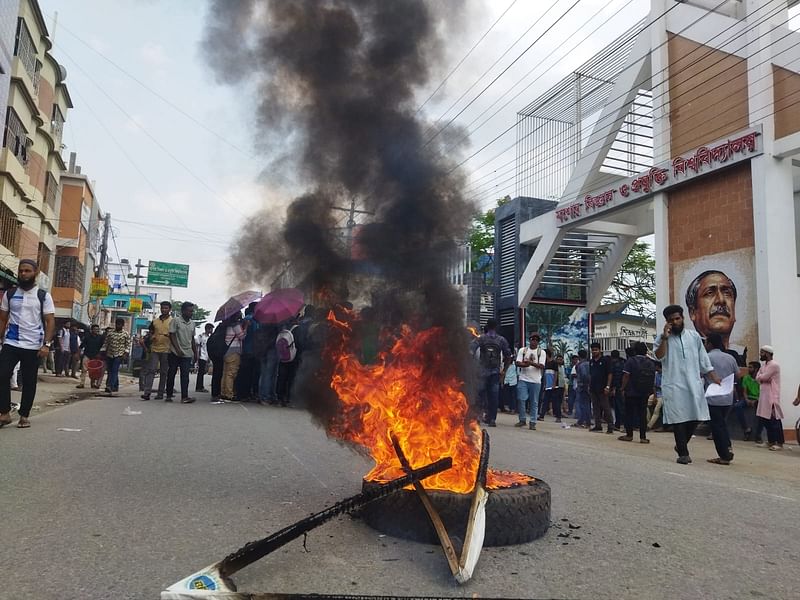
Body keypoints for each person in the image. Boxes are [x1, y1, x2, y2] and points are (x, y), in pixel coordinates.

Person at [654, 304, 721, 464]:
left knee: (696, 417)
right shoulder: (662, 338)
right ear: (667, 322)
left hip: (693, 383)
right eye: (672, 320)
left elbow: (704, 360)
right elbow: (659, 356)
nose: (675, 322)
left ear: (683, 318)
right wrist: (664, 337)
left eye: (678, 318)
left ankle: (680, 444)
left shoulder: (694, 337)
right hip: (673, 384)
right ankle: (683, 453)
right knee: (678, 419)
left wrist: (714, 377)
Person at [0, 259, 56, 428]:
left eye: (27, 271)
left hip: (33, 346)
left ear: (35, 273)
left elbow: (50, 321)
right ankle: (4, 413)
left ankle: (24, 415)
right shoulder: (9, 294)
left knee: (29, 381)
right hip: (11, 342)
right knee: (2, 375)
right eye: (21, 271)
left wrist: (46, 344)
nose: (23, 274)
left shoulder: (43, 296)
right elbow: (3, 319)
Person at [686, 270, 743, 365]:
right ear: (692, 312)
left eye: (727, 293)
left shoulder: (738, 354)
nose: (721, 300)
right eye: (709, 293)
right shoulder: (688, 356)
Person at [703, 333, 739, 465]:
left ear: (710, 344)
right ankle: (728, 449)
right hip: (727, 398)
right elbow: (738, 375)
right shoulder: (730, 358)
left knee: (717, 427)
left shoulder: (707, 357)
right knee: (722, 425)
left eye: (706, 342)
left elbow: (700, 373)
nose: (705, 345)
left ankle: (724, 455)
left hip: (712, 397)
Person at [469, 319, 511, 428]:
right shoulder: (501, 340)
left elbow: (471, 351)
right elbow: (508, 356)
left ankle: (478, 417)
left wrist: (472, 367)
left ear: (487, 326)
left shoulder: (481, 338)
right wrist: (504, 370)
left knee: (480, 396)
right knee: (494, 396)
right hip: (495, 372)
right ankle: (492, 419)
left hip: (482, 371)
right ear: (496, 327)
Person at [619, 341, 655, 443]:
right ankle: (643, 437)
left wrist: (622, 388)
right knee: (642, 414)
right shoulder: (650, 362)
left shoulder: (631, 361)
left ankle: (629, 435)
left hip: (631, 391)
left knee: (629, 413)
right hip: (644, 392)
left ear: (635, 350)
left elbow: (626, 376)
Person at [142, 300, 173, 401]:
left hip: (167, 350)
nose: (164, 310)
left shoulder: (173, 321)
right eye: (162, 308)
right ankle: (147, 392)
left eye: (166, 308)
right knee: (151, 370)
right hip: (155, 349)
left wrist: (170, 336)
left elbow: (175, 334)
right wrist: (151, 337)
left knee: (164, 372)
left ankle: (160, 393)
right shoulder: (155, 321)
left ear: (169, 309)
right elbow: (150, 332)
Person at [166, 301, 197, 403]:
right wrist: (178, 349)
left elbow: (192, 339)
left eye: (192, 311)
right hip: (175, 352)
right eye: (189, 311)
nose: (191, 313)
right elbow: (172, 335)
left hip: (187, 353)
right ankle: (169, 395)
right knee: (171, 373)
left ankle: (184, 397)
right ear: (183, 311)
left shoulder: (192, 323)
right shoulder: (176, 321)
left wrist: (195, 352)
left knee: (185, 376)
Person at [755, 345, 784, 451]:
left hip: (772, 396)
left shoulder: (774, 365)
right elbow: (758, 378)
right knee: (765, 419)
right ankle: (771, 441)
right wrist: (761, 376)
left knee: (774, 420)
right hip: (764, 395)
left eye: (762, 353)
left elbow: (763, 377)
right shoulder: (763, 365)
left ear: (767, 353)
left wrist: (761, 376)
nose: (760, 355)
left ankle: (779, 443)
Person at [514, 332, 545, 430]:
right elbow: (518, 363)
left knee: (534, 402)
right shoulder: (523, 350)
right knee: (521, 399)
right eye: (533, 339)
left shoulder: (541, 352)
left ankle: (533, 422)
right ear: (529, 340)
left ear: (538, 342)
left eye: (536, 340)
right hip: (523, 378)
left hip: (536, 381)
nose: (534, 341)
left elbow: (542, 366)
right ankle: (522, 419)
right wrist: (525, 365)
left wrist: (530, 363)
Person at [588, 342, 614, 434]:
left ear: (600, 350)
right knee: (595, 408)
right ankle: (598, 425)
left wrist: (608, 386)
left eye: (596, 350)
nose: (594, 352)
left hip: (603, 388)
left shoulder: (605, 360)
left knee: (606, 407)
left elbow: (610, 374)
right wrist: (589, 385)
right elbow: (591, 375)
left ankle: (610, 426)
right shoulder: (591, 362)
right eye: (593, 350)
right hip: (593, 388)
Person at [222, 312, 248, 401]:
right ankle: (229, 394)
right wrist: (246, 327)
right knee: (231, 374)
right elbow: (242, 336)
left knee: (226, 373)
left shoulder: (228, 325)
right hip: (234, 352)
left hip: (226, 352)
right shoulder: (236, 325)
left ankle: (224, 392)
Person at [103, 318, 130, 395]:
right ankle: (115, 386)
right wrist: (103, 351)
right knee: (110, 371)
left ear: (122, 325)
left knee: (114, 370)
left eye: (120, 324)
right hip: (110, 354)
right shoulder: (110, 333)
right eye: (117, 324)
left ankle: (110, 386)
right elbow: (106, 343)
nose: (118, 325)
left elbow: (127, 345)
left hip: (119, 355)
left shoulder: (125, 334)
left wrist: (125, 354)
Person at [735, 361, 759, 441]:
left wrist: (755, 400)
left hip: (758, 399)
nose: (749, 369)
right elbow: (744, 391)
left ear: (756, 369)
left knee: (760, 413)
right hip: (748, 398)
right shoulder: (746, 377)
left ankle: (757, 434)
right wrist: (747, 399)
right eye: (749, 367)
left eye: (751, 367)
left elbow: (763, 393)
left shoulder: (760, 379)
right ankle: (746, 428)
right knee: (737, 406)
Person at [78, 324, 105, 389]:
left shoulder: (100, 338)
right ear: (91, 330)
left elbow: (102, 347)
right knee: (84, 369)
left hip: (96, 357)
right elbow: (82, 346)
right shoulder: (87, 337)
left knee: (93, 371)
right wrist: (78, 353)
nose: (96, 330)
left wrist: (100, 354)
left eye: (97, 329)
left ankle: (92, 384)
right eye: (95, 329)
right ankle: (82, 383)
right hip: (87, 355)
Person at [573, 349, 592, 428]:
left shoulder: (580, 365)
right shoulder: (589, 363)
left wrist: (584, 384)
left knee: (582, 404)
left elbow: (584, 375)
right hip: (588, 386)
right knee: (587, 404)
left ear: (579, 356)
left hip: (582, 386)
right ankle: (587, 421)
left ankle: (582, 421)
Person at [609, 349, 625, 430]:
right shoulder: (623, 363)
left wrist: (614, 388)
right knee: (619, 405)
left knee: (618, 406)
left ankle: (619, 423)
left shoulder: (615, 364)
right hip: (623, 387)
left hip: (617, 387)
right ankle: (618, 423)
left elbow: (616, 377)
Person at [195, 323, 213, 393]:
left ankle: (200, 386)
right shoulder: (201, 336)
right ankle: (199, 387)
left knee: (203, 372)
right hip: (201, 356)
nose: (211, 330)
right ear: (207, 329)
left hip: (207, 356)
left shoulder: (210, 338)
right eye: (211, 329)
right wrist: (197, 355)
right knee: (201, 372)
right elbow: (198, 346)